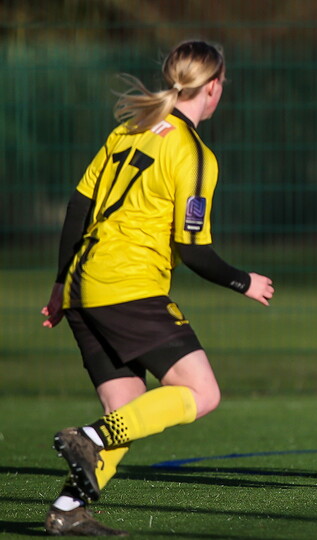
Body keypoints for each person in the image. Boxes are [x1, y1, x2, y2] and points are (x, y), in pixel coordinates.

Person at [40, 40, 274, 536]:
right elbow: (193, 251)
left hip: (85, 286)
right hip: (128, 287)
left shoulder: (129, 130)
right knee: (201, 393)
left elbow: (77, 208)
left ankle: (67, 508)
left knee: (129, 410)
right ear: (212, 87)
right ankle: (87, 437)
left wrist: (62, 283)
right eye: (222, 84)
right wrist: (244, 280)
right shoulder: (192, 153)